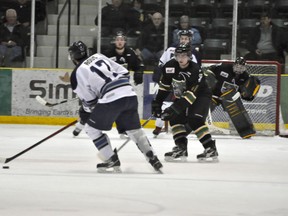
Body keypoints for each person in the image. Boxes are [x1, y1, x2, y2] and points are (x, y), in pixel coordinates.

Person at [68, 41, 163, 172]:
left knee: (91, 129)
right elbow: (124, 72)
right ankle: (152, 157)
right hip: (129, 94)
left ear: (73, 57)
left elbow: (90, 102)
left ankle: (111, 159)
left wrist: (86, 109)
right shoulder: (98, 56)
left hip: (112, 99)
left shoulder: (76, 74)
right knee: (134, 129)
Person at [151, 43, 219, 162]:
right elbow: (164, 87)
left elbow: (191, 95)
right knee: (175, 119)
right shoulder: (169, 66)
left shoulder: (195, 69)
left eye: (183, 56)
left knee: (194, 119)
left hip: (200, 95)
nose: (181, 58)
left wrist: (173, 108)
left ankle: (210, 148)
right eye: (178, 55)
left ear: (189, 56)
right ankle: (181, 148)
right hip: (182, 95)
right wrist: (158, 103)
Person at [73, 31, 144, 137]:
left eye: (122, 40)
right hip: (104, 85)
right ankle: (81, 124)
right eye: (117, 40)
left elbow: (139, 65)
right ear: (114, 41)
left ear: (125, 41)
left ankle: (123, 129)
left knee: (120, 107)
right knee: (91, 105)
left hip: (120, 85)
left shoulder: (130, 53)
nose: (119, 42)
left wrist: (139, 72)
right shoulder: (107, 53)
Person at [152, 30, 202, 137]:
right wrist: (161, 76)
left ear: (190, 40)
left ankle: (184, 125)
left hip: (183, 82)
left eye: (186, 38)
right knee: (164, 102)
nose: (184, 40)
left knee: (181, 103)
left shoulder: (193, 53)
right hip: (170, 78)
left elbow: (195, 70)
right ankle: (158, 127)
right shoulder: (170, 49)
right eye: (182, 38)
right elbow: (161, 64)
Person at [206, 57, 260, 139]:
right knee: (206, 108)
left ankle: (246, 131)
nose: (239, 70)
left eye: (241, 68)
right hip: (214, 95)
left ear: (245, 68)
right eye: (237, 67)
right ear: (233, 65)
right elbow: (209, 70)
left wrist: (248, 95)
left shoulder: (245, 77)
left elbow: (245, 95)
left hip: (229, 99)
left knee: (238, 112)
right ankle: (192, 126)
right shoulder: (224, 67)